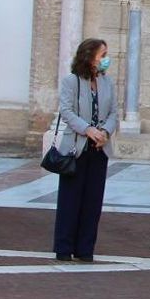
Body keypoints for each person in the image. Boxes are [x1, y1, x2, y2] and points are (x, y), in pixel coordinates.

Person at [53, 38, 119, 262]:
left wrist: (105, 133)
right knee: (70, 199)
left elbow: (113, 113)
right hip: (76, 147)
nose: (106, 59)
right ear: (90, 57)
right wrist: (88, 129)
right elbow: (67, 110)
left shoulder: (107, 82)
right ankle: (64, 247)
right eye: (103, 55)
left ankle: (85, 248)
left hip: (99, 148)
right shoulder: (72, 81)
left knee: (93, 200)